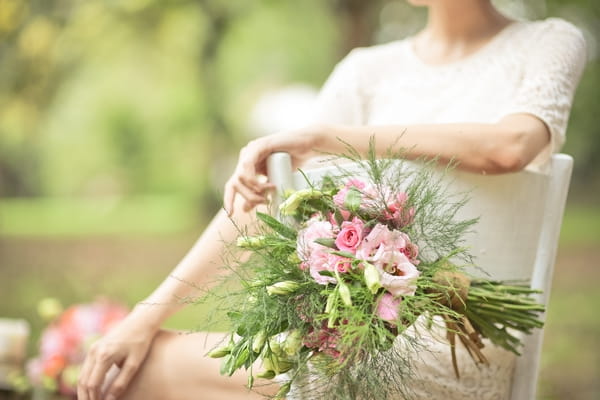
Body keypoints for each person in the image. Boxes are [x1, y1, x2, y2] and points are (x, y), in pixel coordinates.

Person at [77, 0, 587, 399]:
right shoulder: (365, 71)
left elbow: (510, 147)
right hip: (343, 330)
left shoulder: (549, 42)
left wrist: (328, 138)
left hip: (459, 343)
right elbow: (263, 210)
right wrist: (142, 319)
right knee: (127, 369)